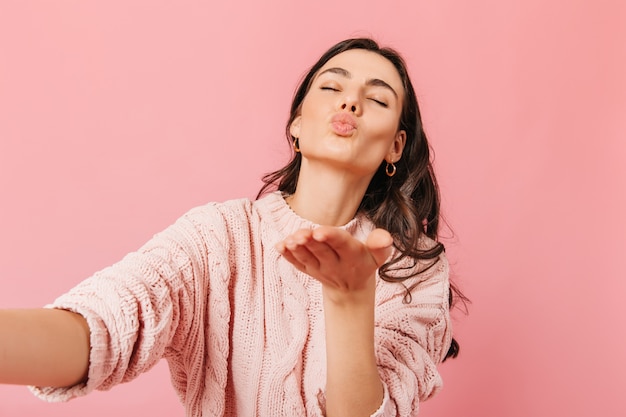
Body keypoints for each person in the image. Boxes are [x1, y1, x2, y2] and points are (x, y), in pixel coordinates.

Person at [0, 37, 463, 417]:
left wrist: (349, 301)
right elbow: (107, 324)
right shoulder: (218, 237)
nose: (351, 101)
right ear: (297, 124)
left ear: (396, 147)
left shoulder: (414, 268)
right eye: (330, 88)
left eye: (378, 98)